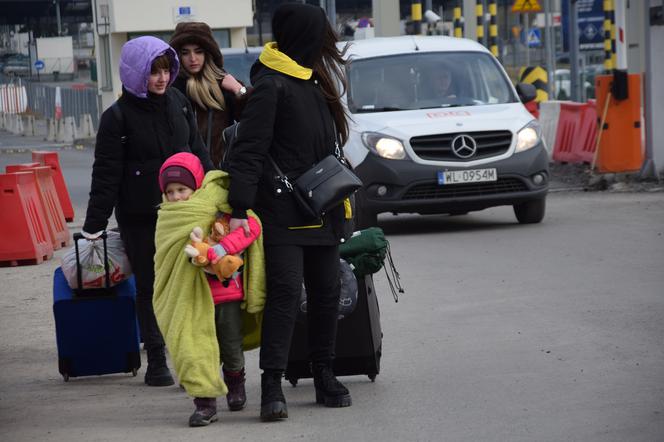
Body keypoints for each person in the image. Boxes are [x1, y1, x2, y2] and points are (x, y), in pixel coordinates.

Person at [225, 3, 354, 421]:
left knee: (326, 294)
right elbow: (249, 150)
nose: (325, 45)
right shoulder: (271, 85)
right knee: (284, 297)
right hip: (282, 212)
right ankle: (272, 386)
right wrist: (239, 207)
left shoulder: (315, 81)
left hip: (322, 207)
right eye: (319, 36)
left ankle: (324, 374)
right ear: (303, 38)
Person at [82, 36, 213, 387]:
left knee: (192, 283)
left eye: (165, 70)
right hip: (141, 217)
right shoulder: (117, 117)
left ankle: (193, 359)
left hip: (186, 214)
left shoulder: (178, 102)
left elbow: (198, 151)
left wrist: (216, 189)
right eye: (152, 71)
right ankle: (157, 359)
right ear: (135, 72)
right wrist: (94, 224)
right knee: (152, 287)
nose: (160, 77)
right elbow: (106, 173)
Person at [154, 152, 263, 427]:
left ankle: (236, 384)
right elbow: (165, 258)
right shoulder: (167, 218)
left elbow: (251, 227)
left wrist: (221, 249)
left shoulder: (218, 205)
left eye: (182, 189)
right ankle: (205, 403)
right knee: (195, 348)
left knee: (230, 346)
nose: (177, 197)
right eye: (170, 192)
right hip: (189, 297)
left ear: (197, 186)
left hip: (225, 293)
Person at [169, 22, 248, 168]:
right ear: (178, 55)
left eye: (198, 51)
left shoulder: (224, 84)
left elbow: (253, 119)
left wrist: (239, 90)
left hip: (219, 173)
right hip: (183, 176)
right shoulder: (171, 90)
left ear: (208, 53)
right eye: (185, 52)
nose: (193, 58)